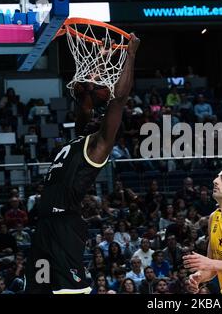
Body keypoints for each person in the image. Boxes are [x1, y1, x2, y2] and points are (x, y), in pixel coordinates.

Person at [25, 33, 140, 294]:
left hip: (64, 227)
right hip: (44, 227)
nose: (90, 115)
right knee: (38, 289)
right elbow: (86, 102)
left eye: (98, 117)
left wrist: (130, 53)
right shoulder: (78, 138)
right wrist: (100, 60)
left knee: (72, 291)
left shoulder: (99, 146)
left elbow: (118, 100)